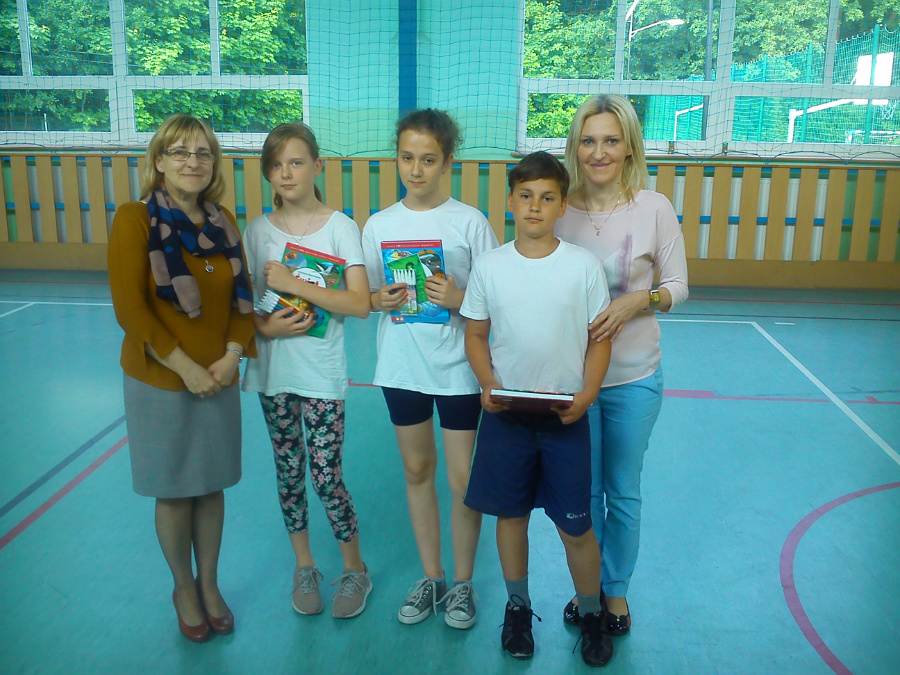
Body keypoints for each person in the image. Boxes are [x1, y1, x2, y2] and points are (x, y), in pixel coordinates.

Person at [460, 151, 614, 666]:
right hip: (507, 418)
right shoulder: (490, 267)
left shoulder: (583, 267)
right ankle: (518, 608)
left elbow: (599, 340)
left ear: (562, 206)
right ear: (510, 201)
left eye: (547, 198)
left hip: (566, 419)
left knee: (576, 527)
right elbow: (476, 335)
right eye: (525, 196)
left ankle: (591, 614)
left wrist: (587, 395)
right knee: (511, 517)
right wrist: (488, 383)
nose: (534, 206)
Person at [108, 114, 256, 642]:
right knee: (174, 492)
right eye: (180, 152)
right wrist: (186, 367)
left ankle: (209, 584)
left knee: (210, 486)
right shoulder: (135, 220)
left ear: (214, 163)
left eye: (203, 152)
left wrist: (233, 355)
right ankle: (184, 589)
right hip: (162, 379)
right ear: (159, 161)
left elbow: (242, 300)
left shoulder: (223, 221)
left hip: (217, 377)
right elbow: (131, 309)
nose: (193, 161)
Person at [555, 94, 689, 635]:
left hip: (634, 379)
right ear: (575, 147)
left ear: (630, 146)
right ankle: (587, 590)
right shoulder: (557, 208)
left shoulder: (654, 208)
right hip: (573, 382)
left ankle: (615, 594)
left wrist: (641, 299)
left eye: (611, 140)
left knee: (623, 491)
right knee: (582, 494)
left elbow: (678, 287)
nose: (599, 152)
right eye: (588, 141)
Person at [361, 109, 498, 629]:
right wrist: (379, 298)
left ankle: (462, 583)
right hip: (402, 368)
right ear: (396, 159)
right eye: (407, 158)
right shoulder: (379, 225)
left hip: (459, 369)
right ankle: (431, 577)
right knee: (417, 471)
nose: (416, 170)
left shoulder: (470, 223)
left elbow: (495, 299)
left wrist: (460, 298)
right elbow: (365, 294)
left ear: (447, 162)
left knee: (462, 479)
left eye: (428, 160)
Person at [241, 123, 372, 619]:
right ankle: (304, 566)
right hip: (273, 374)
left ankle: (355, 568)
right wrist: (264, 328)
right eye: (276, 165)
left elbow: (358, 303)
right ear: (267, 174)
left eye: (296, 162)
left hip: (321, 375)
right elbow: (242, 307)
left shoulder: (340, 227)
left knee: (325, 476)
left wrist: (294, 282)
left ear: (317, 166)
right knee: (289, 473)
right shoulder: (257, 232)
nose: (286, 173)